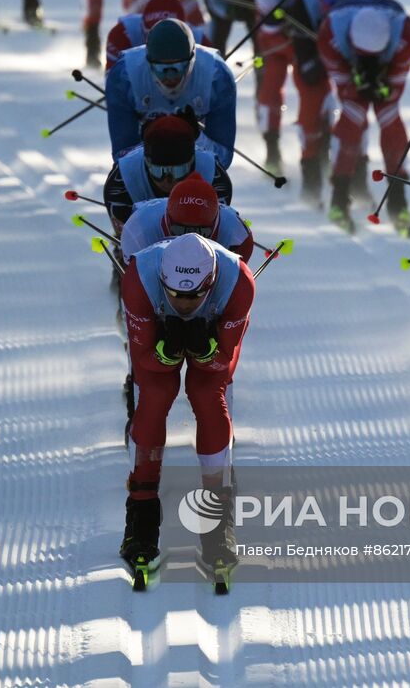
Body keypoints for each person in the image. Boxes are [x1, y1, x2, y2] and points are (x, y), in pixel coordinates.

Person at [119, 233, 255, 582]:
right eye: (175, 294)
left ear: (210, 283)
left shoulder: (239, 283)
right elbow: (145, 361)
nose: (181, 303)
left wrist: (206, 351)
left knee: (208, 393)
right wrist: (165, 354)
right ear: (162, 279)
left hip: (213, 328)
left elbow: (222, 363)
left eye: (192, 295)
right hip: (153, 318)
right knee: (156, 393)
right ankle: (141, 509)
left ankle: (218, 511)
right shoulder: (138, 278)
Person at [319, 0, 410, 234]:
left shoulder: (404, 36)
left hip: (388, 61)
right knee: (352, 115)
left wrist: (383, 88)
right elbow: (345, 91)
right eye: (363, 54)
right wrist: (358, 85)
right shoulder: (330, 34)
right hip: (347, 59)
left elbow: (394, 91)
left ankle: (398, 200)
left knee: (389, 116)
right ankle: (339, 198)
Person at [105, 19, 237, 168]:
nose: (169, 77)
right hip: (147, 168)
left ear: (192, 61)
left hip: (198, 168)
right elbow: (122, 158)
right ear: (148, 62)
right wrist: (153, 139)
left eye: (177, 67)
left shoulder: (217, 77)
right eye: (161, 69)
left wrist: (196, 137)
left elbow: (223, 159)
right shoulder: (124, 76)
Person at [251, 0, 333, 175]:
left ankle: (319, 145)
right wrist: (293, 36)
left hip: (309, 36)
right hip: (278, 36)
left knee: (312, 84)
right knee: (272, 80)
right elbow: (268, 31)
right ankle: (272, 148)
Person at [104, 116, 234, 232]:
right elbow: (126, 241)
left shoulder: (214, 177)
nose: (168, 180)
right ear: (146, 164)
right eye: (159, 171)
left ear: (192, 163)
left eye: (178, 171)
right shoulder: (121, 181)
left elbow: (219, 238)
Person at [120, 174, 254, 263]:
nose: (190, 239)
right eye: (179, 230)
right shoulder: (137, 230)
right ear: (166, 221)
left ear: (217, 224)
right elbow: (136, 279)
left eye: (201, 233)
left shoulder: (239, 236)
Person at [105, 0, 191, 72]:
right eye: (156, 38)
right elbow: (115, 84)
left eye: (171, 39)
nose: (164, 48)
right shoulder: (121, 35)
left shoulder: (199, 39)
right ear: (142, 29)